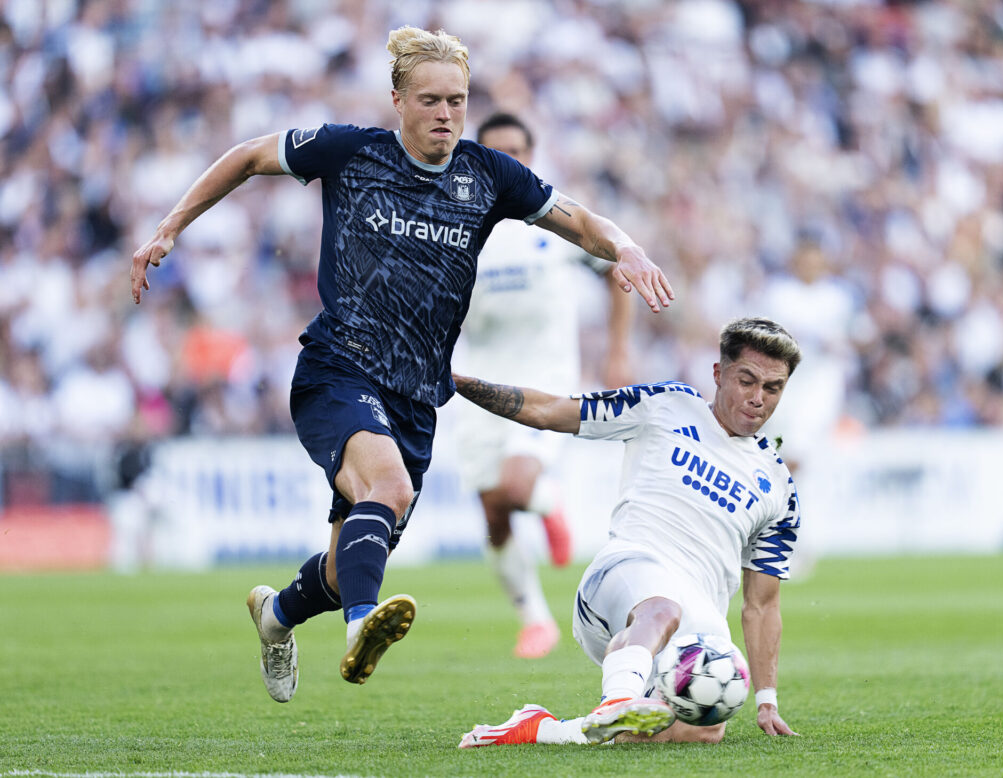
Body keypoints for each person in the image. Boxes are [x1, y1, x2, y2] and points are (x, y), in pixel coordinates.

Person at [129, 26, 673, 704]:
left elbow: (581, 221)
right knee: (387, 489)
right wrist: (168, 226)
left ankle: (275, 618)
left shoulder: (489, 174)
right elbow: (245, 158)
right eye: (432, 100)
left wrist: (629, 249)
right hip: (338, 367)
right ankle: (363, 629)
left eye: (459, 100)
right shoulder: (350, 151)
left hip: (417, 396)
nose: (447, 113)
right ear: (398, 100)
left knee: (346, 559)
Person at [454, 317, 801, 746]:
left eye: (773, 388)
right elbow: (551, 411)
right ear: (718, 373)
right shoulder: (665, 406)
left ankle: (542, 728)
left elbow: (762, 604)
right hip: (624, 575)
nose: (757, 399)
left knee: (702, 729)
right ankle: (617, 699)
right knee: (661, 607)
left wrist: (767, 699)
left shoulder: (779, 487)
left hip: (696, 624)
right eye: (747, 381)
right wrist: (454, 382)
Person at [454, 112, 632, 659]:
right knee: (493, 510)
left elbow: (616, 271)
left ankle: (548, 503)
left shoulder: (555, 219)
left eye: (517, 151)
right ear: (479, 158)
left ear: (531, 156)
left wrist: (618, 351)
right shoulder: (457, 223)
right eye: (496, 151)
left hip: (546, 377)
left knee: (514, 486)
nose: (509, 160)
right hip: (475, 379)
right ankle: (534, 619)